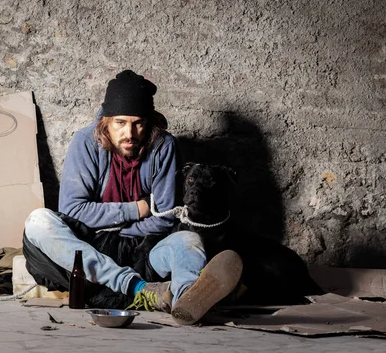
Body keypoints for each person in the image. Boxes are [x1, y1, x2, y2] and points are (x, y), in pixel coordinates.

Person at [23, 70, 243, 325]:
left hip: (140, 248)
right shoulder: (84, 142)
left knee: (188, 239)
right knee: (38, 221)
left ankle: (186, 299)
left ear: (148, 122)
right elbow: (72, 210)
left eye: (138, 123)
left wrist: (115, 223)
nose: (130, 133)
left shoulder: (163, 146)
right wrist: (138, 209)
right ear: (105, 121)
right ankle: (139, 289)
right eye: (120, 123)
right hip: (88, 249)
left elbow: (163, 218)